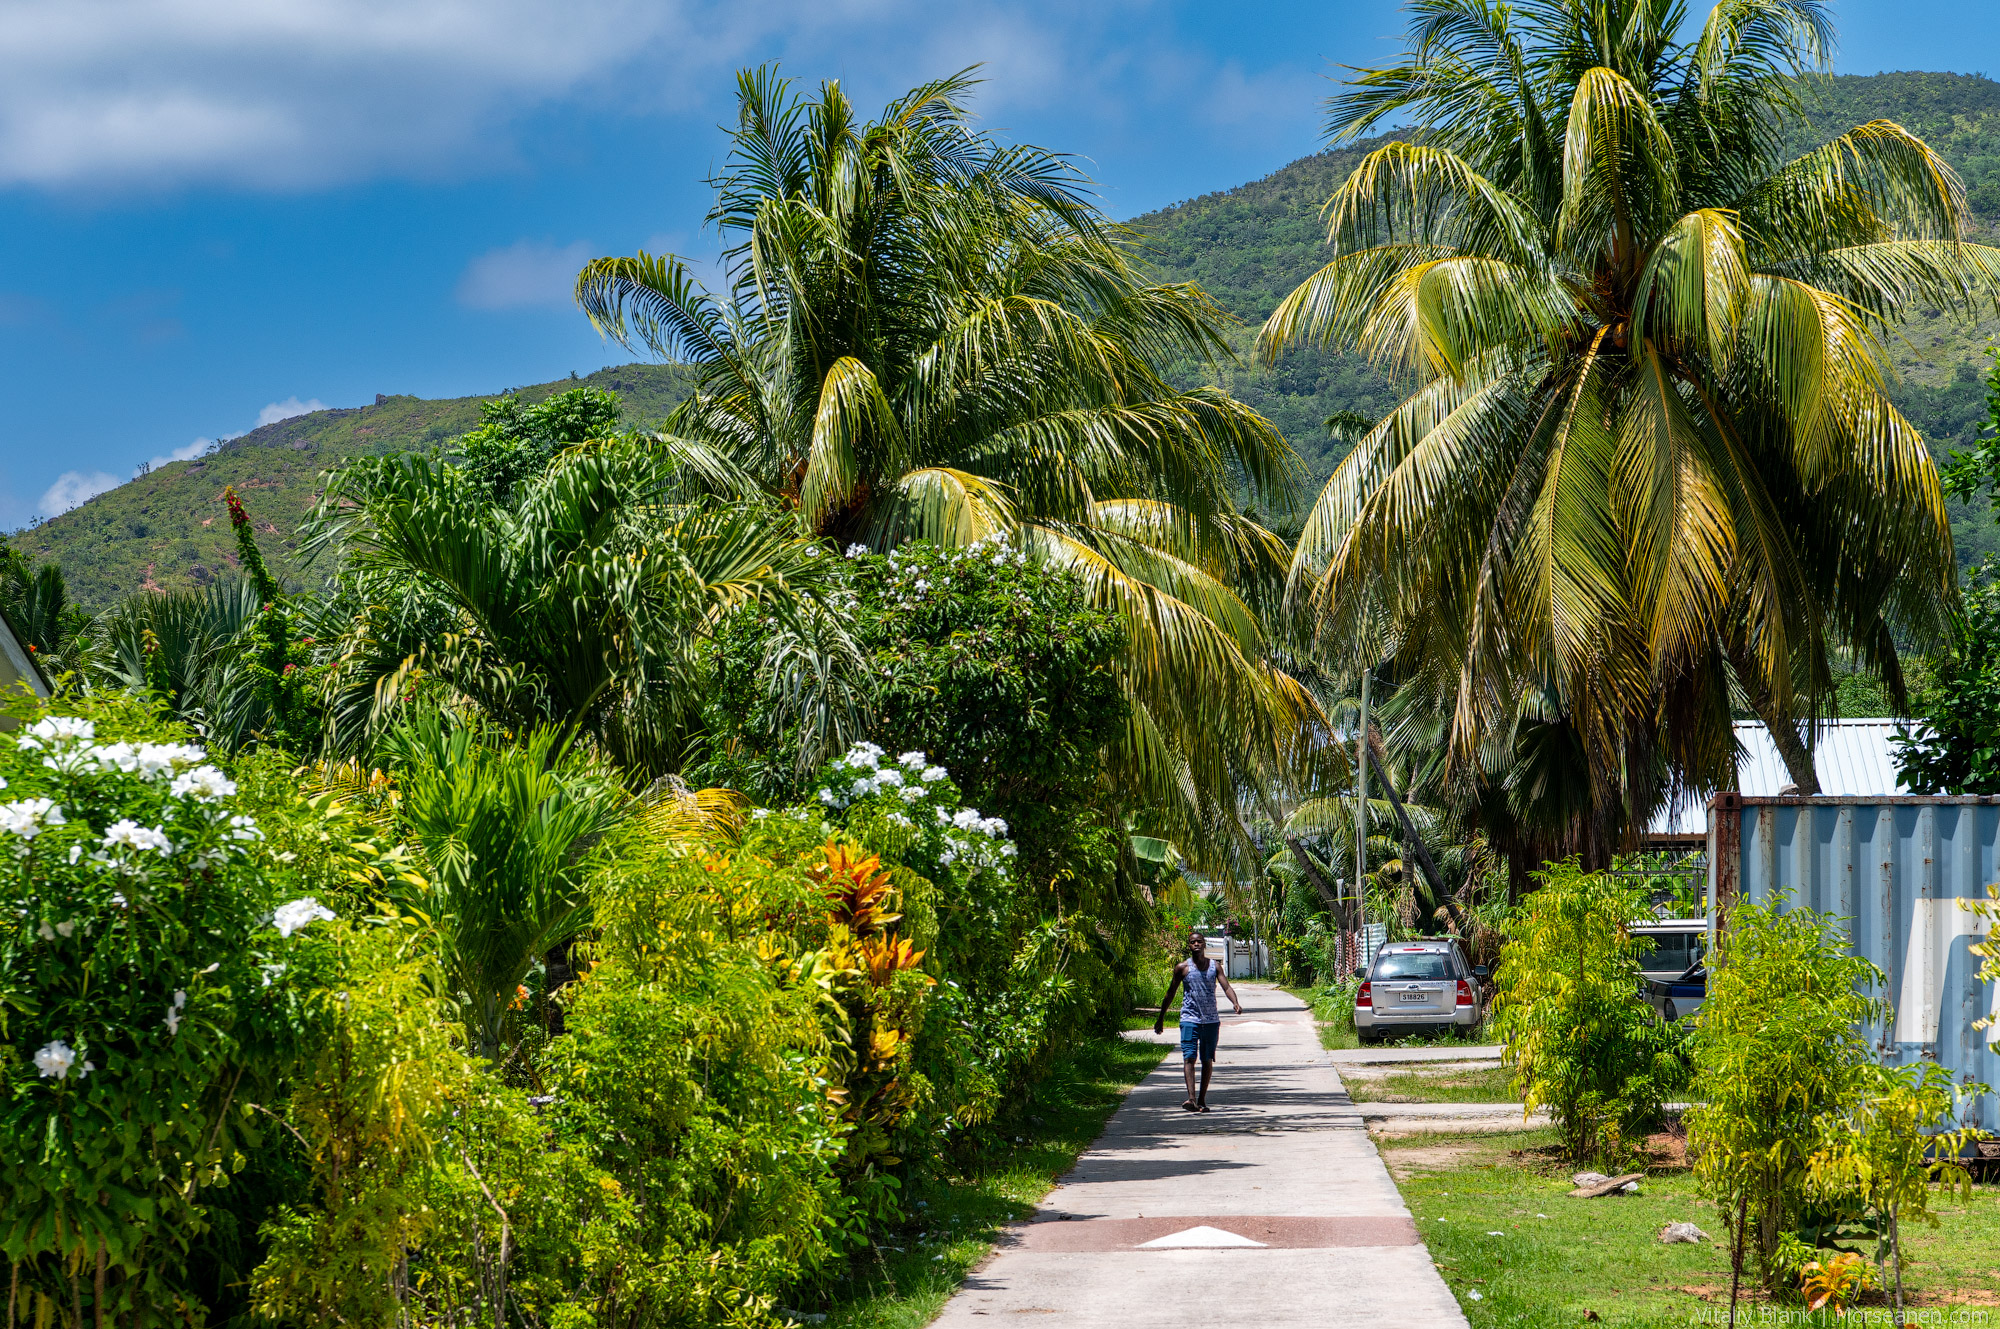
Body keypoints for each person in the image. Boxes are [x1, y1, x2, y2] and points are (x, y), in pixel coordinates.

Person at [1154, 931, 1242, 1112]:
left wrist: (1235, 1002)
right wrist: (1160, 1018)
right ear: (1189, 945)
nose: (1196, 944)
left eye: (1199, 942)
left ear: (1204, 945)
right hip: (1189, 1019)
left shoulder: (1215, 967)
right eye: (1192, 942)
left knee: (1207, 1059)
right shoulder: (1182, 968)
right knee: (1189, 1057)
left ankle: (1202, 1100)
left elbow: (1226, 986)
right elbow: (1170, 993)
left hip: (1210, 1021)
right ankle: (1191, 1099)